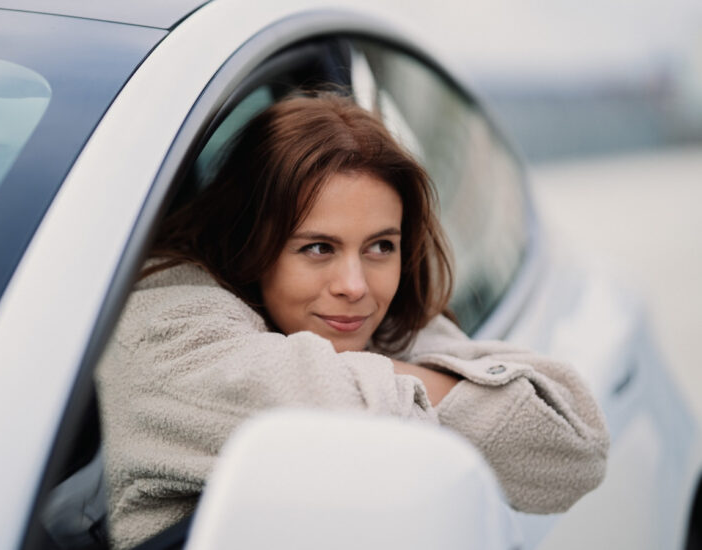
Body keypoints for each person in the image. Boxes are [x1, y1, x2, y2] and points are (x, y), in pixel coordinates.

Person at [95, 91, 609, 550]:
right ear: (247, 240)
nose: (355, 285)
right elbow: (312, 400)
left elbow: (574, 447)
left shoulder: (377, 318)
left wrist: (377, 374)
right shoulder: (166, 321)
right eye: (318, 248)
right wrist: (417, 381)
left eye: (381, 246)